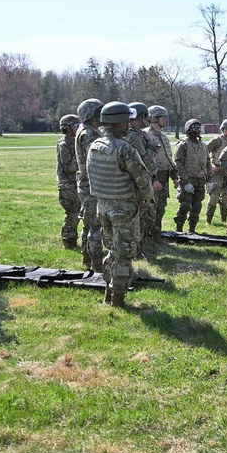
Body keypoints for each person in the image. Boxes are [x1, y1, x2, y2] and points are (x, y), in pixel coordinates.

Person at [87, 101, 152, 308]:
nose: (129, 126)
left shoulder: (94, 146)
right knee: (124, 254)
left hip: (103, 206)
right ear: (118, 123)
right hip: (124, 208)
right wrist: (144, 196)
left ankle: (108, 293)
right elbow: (142, 178)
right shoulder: (124, 149)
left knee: (113, 250)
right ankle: (118, 300)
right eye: (126, 122)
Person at [75, 98, 105, 271]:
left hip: (87, 184)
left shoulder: (90, 131)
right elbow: (92, 160)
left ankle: (87, 259)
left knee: (89, 224)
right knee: (94, 226)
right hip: (92, 185)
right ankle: (96, 263)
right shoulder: (89, 134)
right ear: (91, 114)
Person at [126, 102, 161, 250]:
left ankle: (141, 246)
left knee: (147, 216)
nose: (147, 120)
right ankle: (138, 248)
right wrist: (151, 144)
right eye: (145, 117)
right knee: (142, 217)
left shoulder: (137, 134)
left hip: (143, 180)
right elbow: (146, 161)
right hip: (139, 181)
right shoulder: (134, 136)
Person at [144, 105, 178, 243]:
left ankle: (157, 238)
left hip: (164, 177)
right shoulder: (146, 135)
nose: (165, 120)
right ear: (154, 119)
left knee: (160, 209)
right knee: (149, 210)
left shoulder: (164, 136)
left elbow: (169, 159)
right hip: (153, 178)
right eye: (162, 117)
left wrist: (175, 178)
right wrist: (153, 179)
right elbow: (145, 161)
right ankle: (144, 240)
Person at [173, 118, 210, 233]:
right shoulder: (183, 145)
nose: (198, 130)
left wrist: (209, 180)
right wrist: (185, 181)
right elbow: (178, 162)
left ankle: (192, 229)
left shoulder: (203, 145)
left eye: (199, 128)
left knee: (197, 206)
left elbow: (208, 162)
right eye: (195, 128)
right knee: (185, 204)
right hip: (187, 180)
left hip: (200, 180)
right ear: (189, 129)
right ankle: (179, 227)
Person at [56, 114, 82, 250]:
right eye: (76, 126)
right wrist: (82, 158)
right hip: (68, 186)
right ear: (67, 128)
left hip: (76, 183)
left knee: (78, 213)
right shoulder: (64, 144)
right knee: (73, 213)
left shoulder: (77, 142)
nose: (79, 129)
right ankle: (68, 240)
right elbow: (69, 167)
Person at [206, 119, 227, 225]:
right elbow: (204, 153)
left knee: (226, 197)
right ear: (222, 129)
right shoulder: (216, 140)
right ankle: (208, 219)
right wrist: (211, 166)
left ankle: (224, 219)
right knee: (214, 196)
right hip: (216, 171)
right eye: (226, 129)